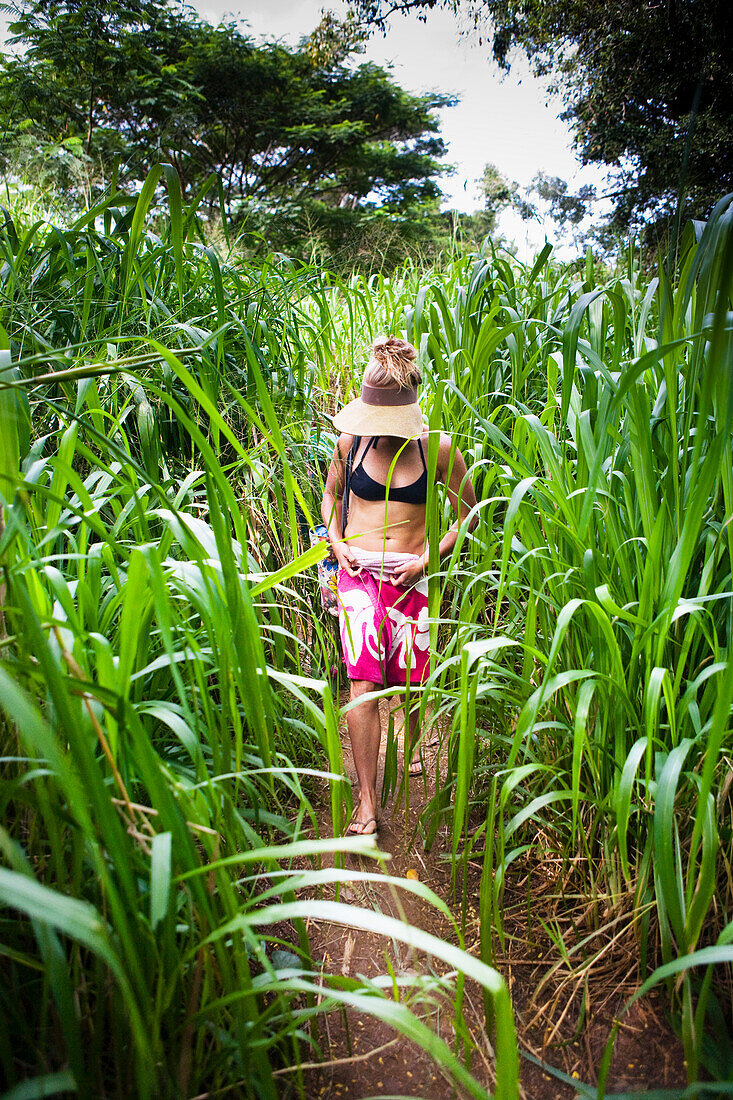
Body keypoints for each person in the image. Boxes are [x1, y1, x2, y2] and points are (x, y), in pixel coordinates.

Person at [321, 335, 478, 836]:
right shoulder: (351, 443)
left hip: (409, 574)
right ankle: (367, 799)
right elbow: (329, 497)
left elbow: (467, 515)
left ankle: (411, 745)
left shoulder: (439, 451)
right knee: (364, 679)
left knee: (410, 679)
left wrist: (428, 559)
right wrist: (337, 543)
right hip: (357, 571)